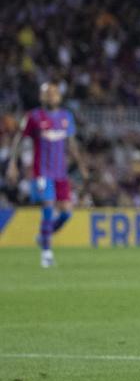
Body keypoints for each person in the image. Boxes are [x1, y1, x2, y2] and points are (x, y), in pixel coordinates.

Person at [6, 81, 89, 268]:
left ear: (59, 96)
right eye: (47, 93)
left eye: (54, 93)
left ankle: (43, 236)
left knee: (67, 213)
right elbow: (19, 139)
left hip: (61, 172)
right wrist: (12, 163)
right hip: (42, 172)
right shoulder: (33, 117)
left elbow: (72, 144)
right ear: (41, 96)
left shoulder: (66, 117)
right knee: (48, 207)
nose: (51, 96)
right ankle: (47, 254)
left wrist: (81, 165)